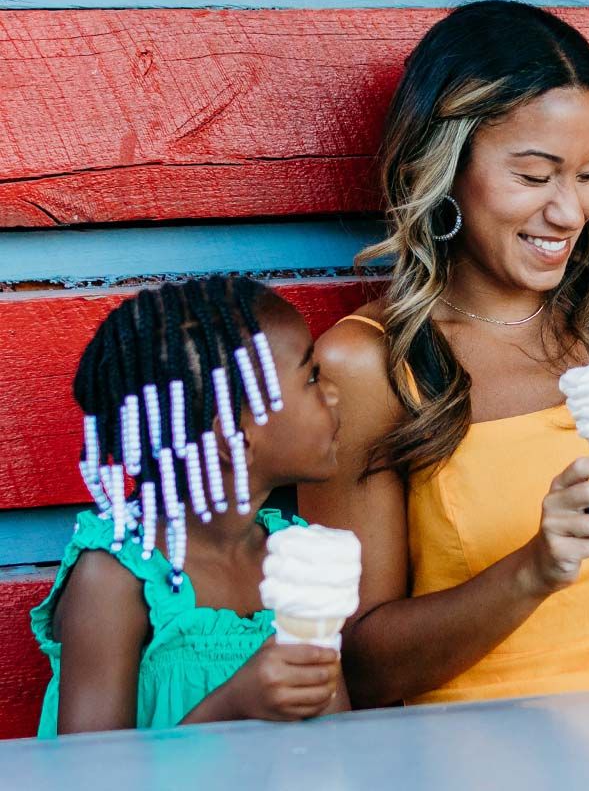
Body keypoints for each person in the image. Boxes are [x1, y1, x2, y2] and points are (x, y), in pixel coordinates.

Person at [299, 0, 589, 706]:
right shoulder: (369, 364)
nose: (570, 212)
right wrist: (535, 567)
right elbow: (357, 666)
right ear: (445, 167)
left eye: (588, 173)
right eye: (535, 175)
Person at [32, 276, 350, 735]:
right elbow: (91, 774)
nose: (334, 392)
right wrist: (234, 705)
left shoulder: (292, 555)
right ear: (235, 439)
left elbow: (339, 736)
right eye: (312, 377)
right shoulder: (117, 580)